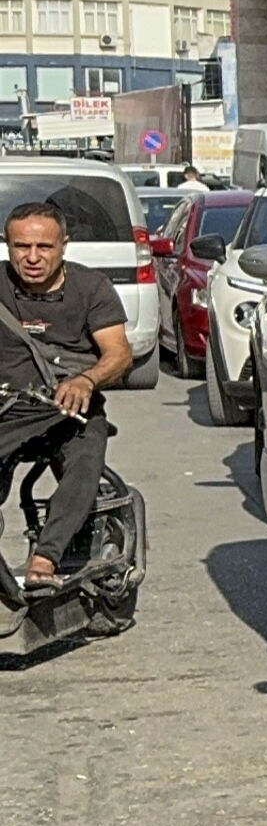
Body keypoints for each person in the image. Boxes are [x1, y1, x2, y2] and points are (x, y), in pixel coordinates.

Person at [0, 200, 134, 589]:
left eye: (44, 247)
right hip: (9, 410)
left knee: (85, 459)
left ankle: (46, 558)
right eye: (22, 247)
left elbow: (118, 353)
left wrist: (87, 381)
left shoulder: (91, 287)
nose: (33, 257)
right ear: (8, 247)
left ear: (64, 246)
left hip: (67, 412)